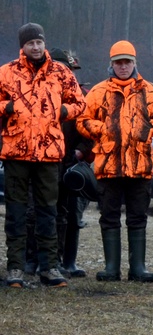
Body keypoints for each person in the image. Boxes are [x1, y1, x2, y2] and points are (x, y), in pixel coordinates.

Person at [76, 41, 153, 282]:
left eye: (127, 61)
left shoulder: (150, 90)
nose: (123, 66)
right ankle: (111, 268)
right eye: (118, 62)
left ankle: (137, 269)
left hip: (140, 167)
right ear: (111, 64)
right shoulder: (98, 92)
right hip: (109, 166)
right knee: (109, 216)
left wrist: (149, 130)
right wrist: (105, 129)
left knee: (138, 216)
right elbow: (82, 120)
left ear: (134, 63)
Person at [1, 23, 86, 288]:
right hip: (16, 152)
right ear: (22, 46)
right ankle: (15, 268)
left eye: (39, 42)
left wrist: (63, 112)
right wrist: (8, 107)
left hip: (49, 154)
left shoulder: (61, 72)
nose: (36, 47)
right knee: (15, 212)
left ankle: (49, 267)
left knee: (47, 211)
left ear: (44, 43)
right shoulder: (6, 72)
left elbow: (80, 103)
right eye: (31, 44)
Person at [48, 48, 92, 278]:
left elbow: (92, 130)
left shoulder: (84, 96)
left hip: (72, 164)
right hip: (45, 162)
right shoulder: (41, 93)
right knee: (40, 211)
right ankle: (40, 259)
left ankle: (68, 261)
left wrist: (81, 152)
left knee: (72, 214)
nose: (65, 72)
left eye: (69, 69)